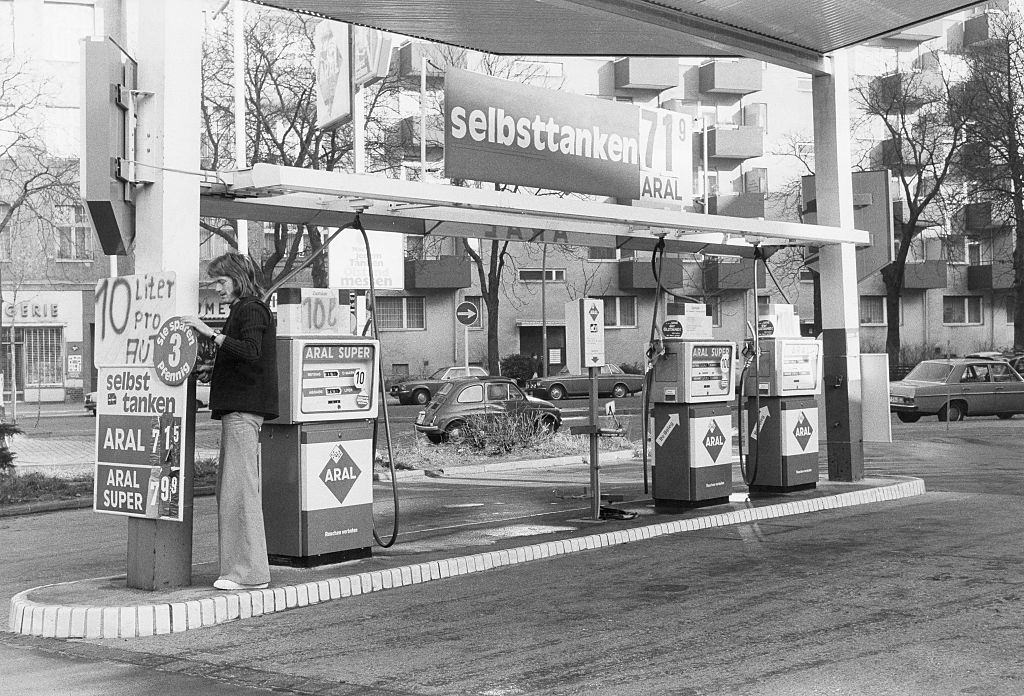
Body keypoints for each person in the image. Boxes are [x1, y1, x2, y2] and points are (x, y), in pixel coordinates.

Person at [186, 253, 278, 591]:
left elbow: (251, 350)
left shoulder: (251, 309)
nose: (216, 289)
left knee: (240, 491)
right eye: (214, 283)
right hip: (239, 410)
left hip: (243, 410)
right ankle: (239, 570)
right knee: (233, 489)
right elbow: (246, 355)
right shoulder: (245, 310)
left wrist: (208, 333)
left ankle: (249, 574)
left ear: (237, 278)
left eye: (221, 282)